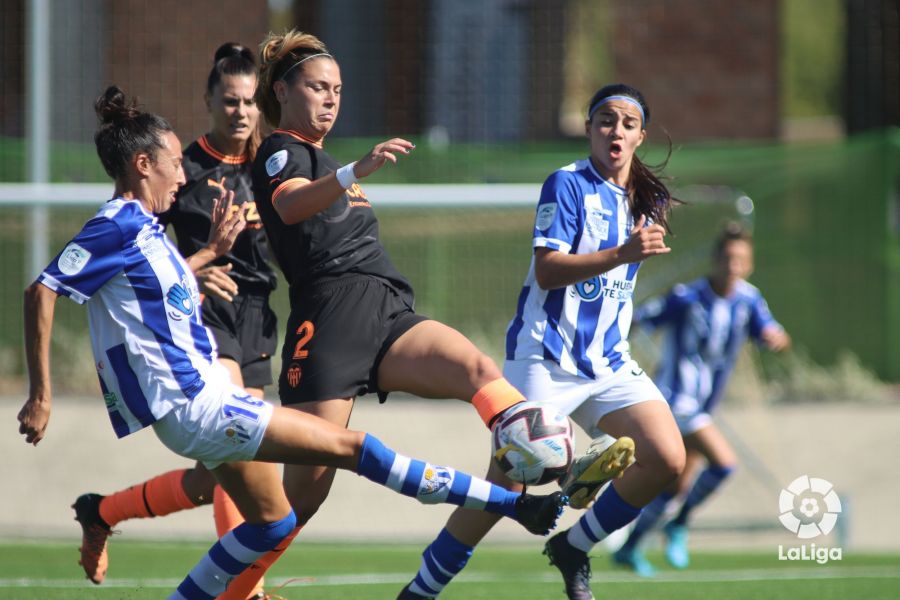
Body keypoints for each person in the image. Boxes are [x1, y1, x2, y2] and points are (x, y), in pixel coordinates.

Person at [16, 85, 567, 600]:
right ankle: (512, 506)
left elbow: (150, 298)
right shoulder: (116, 224)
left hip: (196, 405)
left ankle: (127, 533)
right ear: (142, 165)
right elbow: (41, 290)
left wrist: (208, 255)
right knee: (354, 449)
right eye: (171, 162)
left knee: (273, 521)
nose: (181, 175)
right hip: (199, 405)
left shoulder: (146, 231)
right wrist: (42, 396)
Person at [208, 30, 604, 598]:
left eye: (338, 89)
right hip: (328, 325)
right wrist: (353, 173)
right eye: (319, 87)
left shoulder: (326, 159)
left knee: (476, 368)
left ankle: (551, 459)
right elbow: (290, 205)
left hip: (387, 309)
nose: (331, 98)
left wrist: (346, 171)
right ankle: (232, 589)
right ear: (282, 91)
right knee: (299, 502)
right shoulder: (281, 149)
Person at [399, 84, 687, 600]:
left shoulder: (652, 199)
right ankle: (422, 589)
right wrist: (622, 253)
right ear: (589, 129)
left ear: (641, 135)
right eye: (604, 120)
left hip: (609, 362)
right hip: (546, 358)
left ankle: (573, 547)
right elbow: (549, 272)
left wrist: (628, 255)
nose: (615, 131)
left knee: (667, 458)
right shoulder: (567, 185)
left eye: (626, 123)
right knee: (505, 485)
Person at [68, 43, 279, 599]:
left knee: (217, 479)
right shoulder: (182, 170)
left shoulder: (271, 166)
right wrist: (197, 269)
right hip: (206, 322)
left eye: (250, 102)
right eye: (230, 100)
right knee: (241, 446)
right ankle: (245, 591)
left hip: (258, 319)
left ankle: (103, 510)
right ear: (209, 101)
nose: (240, 111)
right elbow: (149, 256)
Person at [612, 222, 791, 577]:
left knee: (674, 484)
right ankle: (678, 525)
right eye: (726, 258)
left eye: (740, 259)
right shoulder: (687, 297)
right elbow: (640, 318)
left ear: (750, 264)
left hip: (705, 405)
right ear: (714, 260)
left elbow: (770, 331)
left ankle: (631, 548)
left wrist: (776, 338)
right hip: (676, 401)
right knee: (724, 464)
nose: (732, 266)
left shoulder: (749, 299)